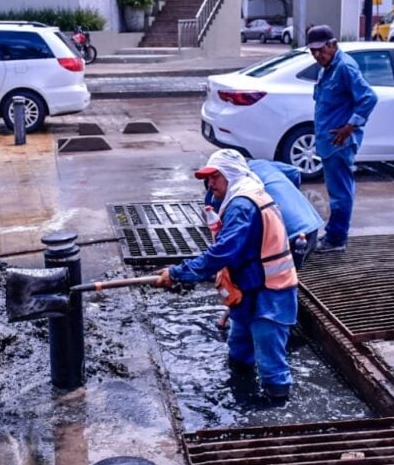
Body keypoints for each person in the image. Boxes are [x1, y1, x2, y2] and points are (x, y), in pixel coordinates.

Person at [156, 149, 299, 400]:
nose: (210, 185)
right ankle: (241, 394)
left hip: (271, 295)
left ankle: (274, 413)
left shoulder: (242, 205)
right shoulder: (243, 196)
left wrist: (178, 273)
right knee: (239, 349)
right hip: (249, 291)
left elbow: (223, 252)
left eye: (215, 177)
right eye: (207, 179)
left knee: (271, 365)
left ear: (231, 175)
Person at [307, 25, 378, 253]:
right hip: (329, 143)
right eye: (313, 51)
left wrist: (349, 127)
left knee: (340, 194)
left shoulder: (345, 67)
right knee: (337, 191)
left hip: (340, 143)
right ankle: (334, 235)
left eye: (320, 49)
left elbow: (368, 98)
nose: (317, 55)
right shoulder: (327, 68)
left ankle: (336, 239)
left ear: (333, 44)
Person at [203, 154, 324, 270]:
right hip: (311, 228)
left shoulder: (236, 186)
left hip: (287, 240)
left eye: (215, 177)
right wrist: (290, 197)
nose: (211, 183)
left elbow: (221, 224)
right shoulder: (261, 164)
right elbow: (294, 172)